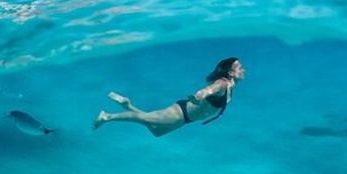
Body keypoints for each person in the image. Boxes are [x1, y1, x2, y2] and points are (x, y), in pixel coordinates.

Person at [93, 57, 245, 137]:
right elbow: (208, 90)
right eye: (240, 68)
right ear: (231, 72)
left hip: (186, 119)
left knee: (156, 132)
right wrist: (199, 96)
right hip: (179, 113)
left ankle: (128, 106)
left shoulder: (230, 87)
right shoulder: (222, 83)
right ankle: (107, 117)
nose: (243, 70)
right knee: (145, 118)